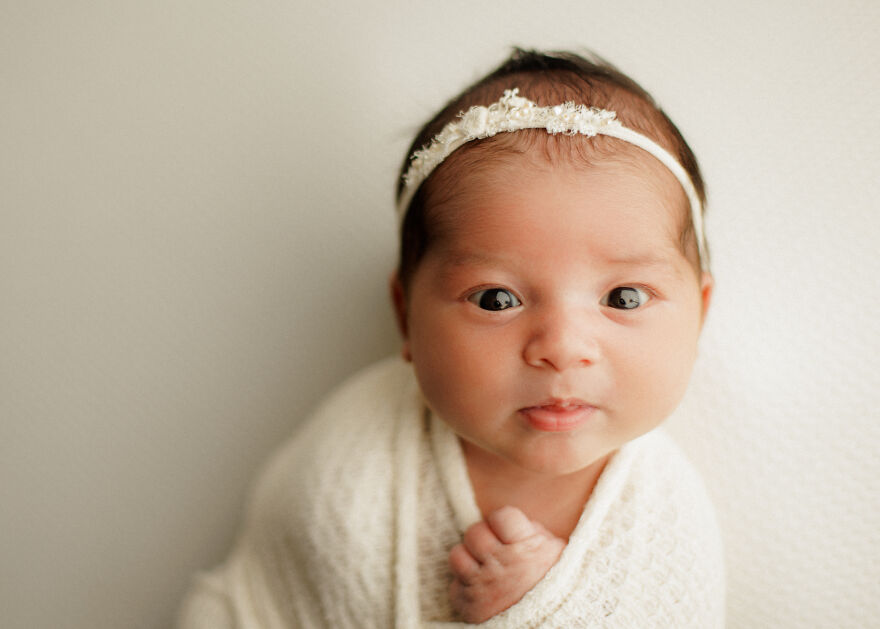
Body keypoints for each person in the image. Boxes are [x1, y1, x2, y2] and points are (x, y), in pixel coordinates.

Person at [177, 49, 725, 628]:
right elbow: (249, 606)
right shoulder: (352, 454)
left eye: (625, 298)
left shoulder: (666, 518)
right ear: (405, 315)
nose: (563, 348)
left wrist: (549, 610)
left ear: (700, 315)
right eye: (496, 300)